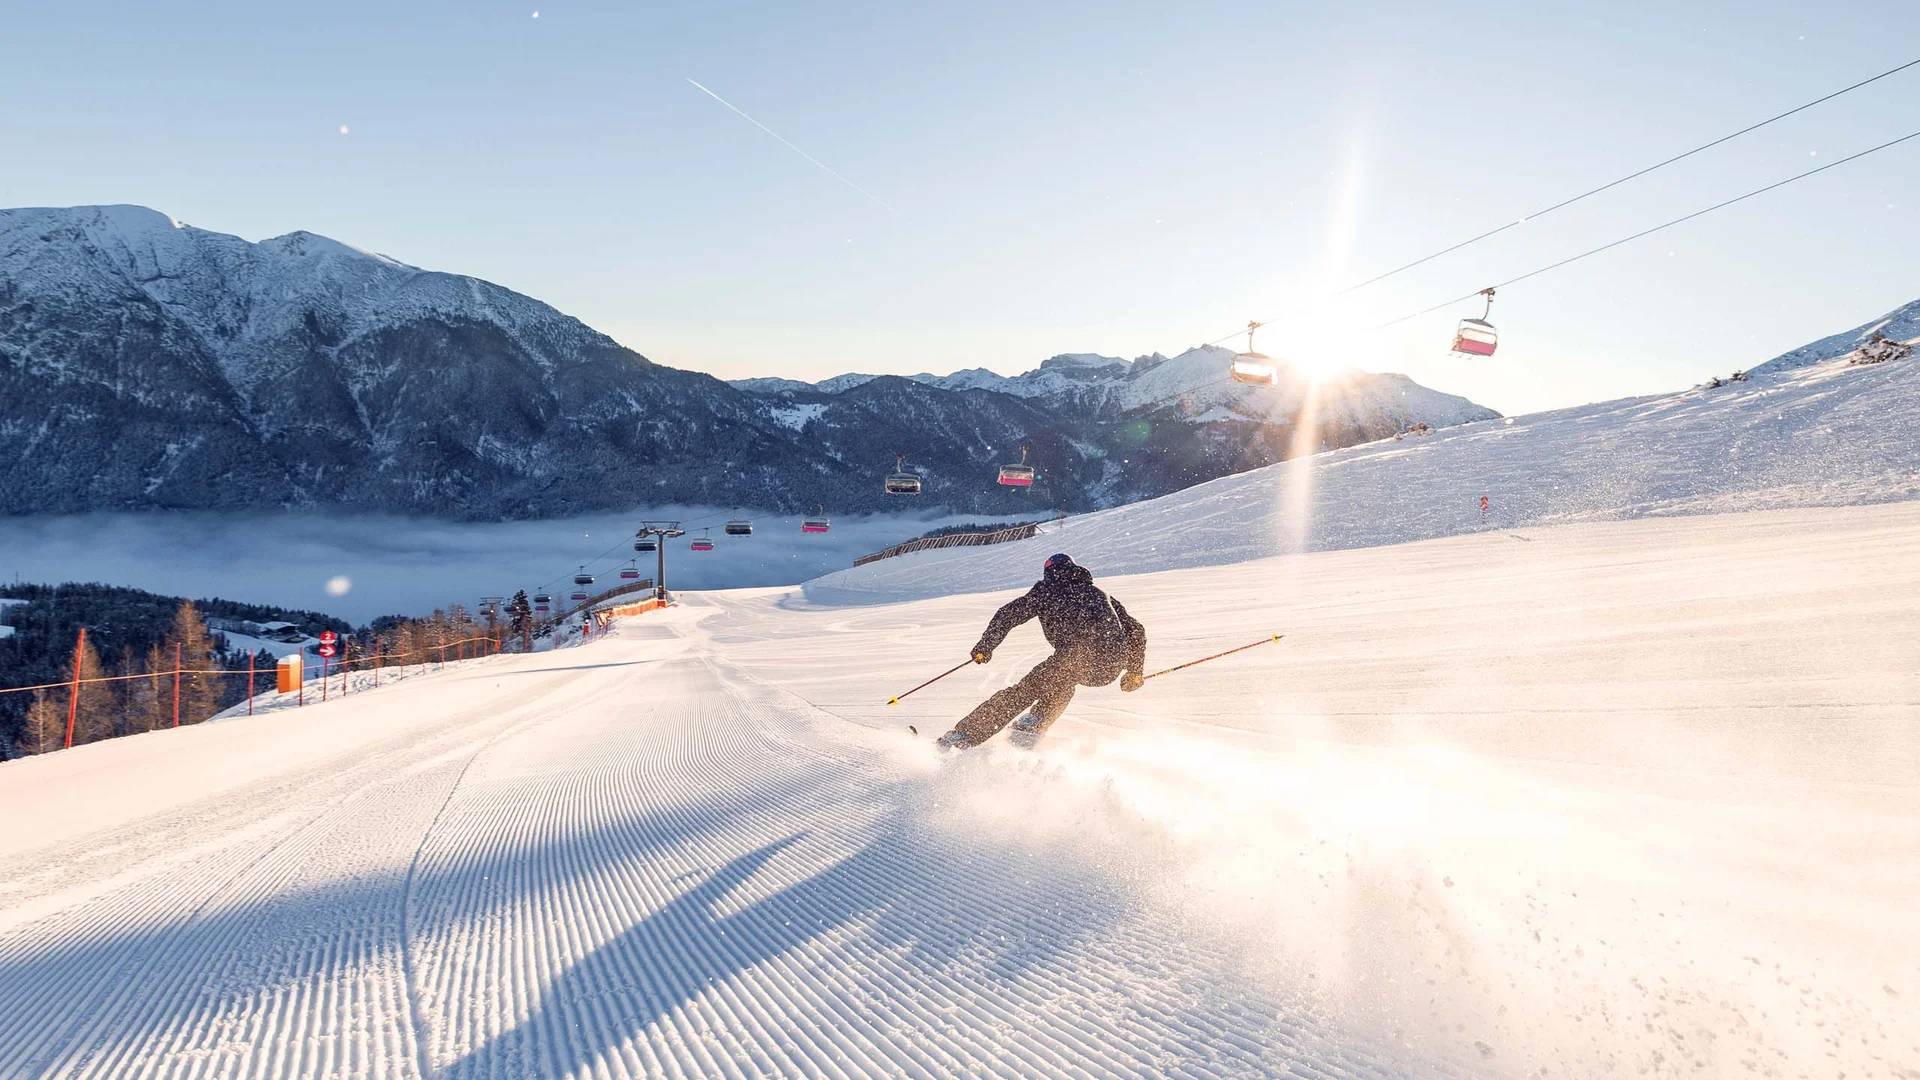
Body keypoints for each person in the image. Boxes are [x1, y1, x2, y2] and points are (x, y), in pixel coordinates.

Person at [937, 553, 1147, 751]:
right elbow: (1136, 630)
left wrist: (985, 646)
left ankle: (965, 735)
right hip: (1109, 667)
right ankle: (1034, 723)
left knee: (1024, 691)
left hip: (1075, 656)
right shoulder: (1101, 594)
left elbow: (1007, 614)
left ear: (1049, 573)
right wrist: (1134, 671)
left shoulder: (1047, 590)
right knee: (1062, 684)